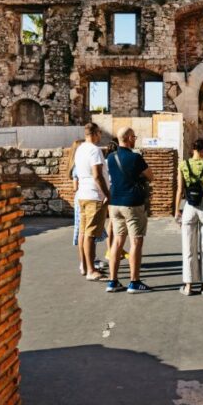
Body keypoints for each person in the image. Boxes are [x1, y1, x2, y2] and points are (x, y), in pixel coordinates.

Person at [105, 127, 154, 293]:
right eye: (134, 136)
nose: (135, 139)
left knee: (117, 241)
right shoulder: (135, 157)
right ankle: (134, 282)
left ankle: (113, 281)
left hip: (114, 203)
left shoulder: (110, 157)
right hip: (132, 203)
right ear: (127, 138)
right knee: (136, 242)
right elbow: (150, 176)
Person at [175, 138, 203, 296]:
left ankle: (188, 286)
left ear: (192, 149)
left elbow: (179, 190)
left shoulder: (183, 165)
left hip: (189, 207)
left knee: (188, 247)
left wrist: (176, 211)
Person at [73, 123, 110, 281]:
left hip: (82, 194)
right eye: (100, 133)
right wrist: (107, 194)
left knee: (83, 232)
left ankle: (85, 266)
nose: (100, 136)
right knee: (90, 235)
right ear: (95, 133)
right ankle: (91, 270)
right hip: (94, 195)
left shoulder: (80, 149)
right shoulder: (94, 150)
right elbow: (97, 175)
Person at [103, 139, 129, 265]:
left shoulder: (104, 162)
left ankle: (114, 248)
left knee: (113, 223)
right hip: (114, 193)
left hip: (109, 193)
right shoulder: (114, 162)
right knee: (113, 223)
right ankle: (111, 250)